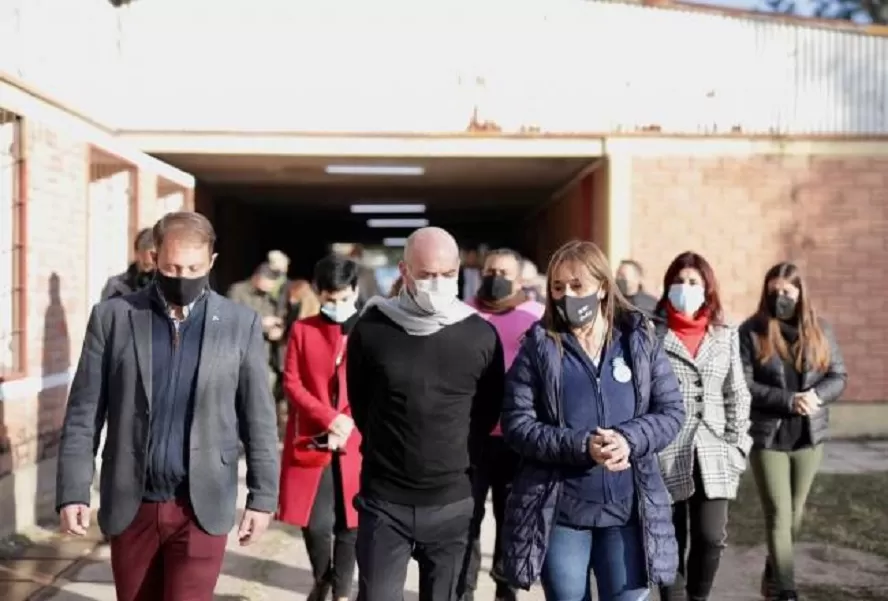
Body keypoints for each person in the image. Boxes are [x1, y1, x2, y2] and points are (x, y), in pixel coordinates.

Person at [56, 211, 280, 601]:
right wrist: (73, 489)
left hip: (202, 504)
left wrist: (262, 498)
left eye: (193, 268)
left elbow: (259, 419)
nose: (183, 277)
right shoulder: (114, 318)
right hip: (132, 501)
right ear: (154, 258)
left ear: (211, 261)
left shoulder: (239, 323)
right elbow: (83, 413)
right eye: (173, 267)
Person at [500, 239, 685, 601]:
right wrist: (581, 444)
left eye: (577, 285)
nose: (567, 295)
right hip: (562, 510)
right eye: (558, 287)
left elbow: (671, 411)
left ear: (602, 287)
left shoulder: (639, 340)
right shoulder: (538, 347)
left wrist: (628, 439)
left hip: (629, 510)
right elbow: (517, 424)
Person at [346, 226, 505, 601]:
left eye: (447, 275)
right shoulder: (372, 329)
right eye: (427, 274)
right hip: (384, 502)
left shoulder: (480, 335)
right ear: (404, 271)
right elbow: (361, 403)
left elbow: (487, 412)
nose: (438, 283)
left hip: (453, 503)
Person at [739, 262, 847, 601]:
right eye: (774, 291)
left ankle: (775, 566)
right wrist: (789, 401)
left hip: (808, 436)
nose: (780, 297)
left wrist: (814, 397)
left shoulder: (820, 330)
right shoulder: (751, 331)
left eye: (787, 291)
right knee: (779, 512)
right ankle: (786, 589)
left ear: (800, 293)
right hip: (768, 436)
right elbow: (745, 384)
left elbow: (838, 375)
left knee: (795, 514)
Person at [653, 252, 752, 601]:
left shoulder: (725, 336)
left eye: (693, 282)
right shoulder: (652, 334)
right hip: (665, 453)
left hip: (714, 453)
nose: (685, 288)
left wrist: (737, 447)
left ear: (707, 288)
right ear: (667, 288)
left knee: (712, 537)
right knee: (668, 538)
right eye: (678, 281)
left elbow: (736, 395)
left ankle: (698, 597)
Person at [279, 255, 363, 601]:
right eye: (331, 300)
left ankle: (341, 592)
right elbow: (292, 381)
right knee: (314, 523)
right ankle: (323, 577)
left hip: (356, 440)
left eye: (344, 298)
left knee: (350, 522)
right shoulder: (304, 329)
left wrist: (350, 418)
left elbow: (377, 383)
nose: (338, 306)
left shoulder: (368, 330)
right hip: (314, 438)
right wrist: (329, 417)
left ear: (355, 292)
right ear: (319, 294)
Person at [463, 248, 544, 601]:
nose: (496, 277)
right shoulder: (462, 313)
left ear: (520, 279)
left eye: (504, 272)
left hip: (517, 436)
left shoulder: (537, 316)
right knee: (467, 517)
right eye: (491, 270)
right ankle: (463, 590)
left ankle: (504, 589)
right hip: (471, 435)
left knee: (512, 518)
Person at [228, 262, 290, 437]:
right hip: (241, 353)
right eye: (268, 281)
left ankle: (258, 433)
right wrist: (262, 323)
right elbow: (232, 319)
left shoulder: (272, 296)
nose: (270, 286)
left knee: (265, 396)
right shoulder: (238, 291)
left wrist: (278, 330)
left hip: (266, 354)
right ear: (258, 277)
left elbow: (282, 316)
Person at [100, 228, 156, 299]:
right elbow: (105, 309)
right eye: (146, 265)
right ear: (137, 254)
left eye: (154, 264)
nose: (150, 270)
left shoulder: (164, 287)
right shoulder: (115, 286)